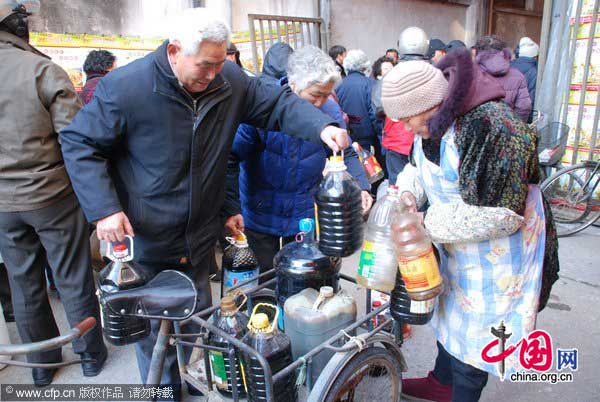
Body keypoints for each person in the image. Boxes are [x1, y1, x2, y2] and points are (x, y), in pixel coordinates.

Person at [60, 16, 349, 399]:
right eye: (205, 66)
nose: (214, 75)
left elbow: (275, 106)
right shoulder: (127, 87)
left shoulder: (229, 80)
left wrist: (320, 126)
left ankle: (195, 389)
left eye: (220, 64)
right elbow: (79, 143)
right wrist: (104, 209)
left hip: (197, 240)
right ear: (175, 51)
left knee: (197, 327)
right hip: (147, 240)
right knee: (154, 342)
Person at [381, 49, 558, 402]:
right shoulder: (432, 120)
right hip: (458, 242)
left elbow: (502, 215)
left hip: (499, 254)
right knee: (449, 316)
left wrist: (426, 221)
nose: (404, 128)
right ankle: (440, 382)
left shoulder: (494, 126)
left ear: (430, 103)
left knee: (477, 337)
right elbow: (419, 166)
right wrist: (408, 192)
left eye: (407, 119)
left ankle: (461, 392)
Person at [0, 0, 106, 386]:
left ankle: (42, 368)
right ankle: (90, 356)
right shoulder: (40, 69)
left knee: (23, 282)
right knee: (72, 277)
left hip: (3, 204)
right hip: (51, 196)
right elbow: (76, 138)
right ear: (19, 28)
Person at [226, 45, 372, 277]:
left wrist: (362, 186)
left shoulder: (329, 109)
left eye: (326, 95)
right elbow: (231, 158)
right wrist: (231, 208)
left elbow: (347, 151)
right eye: (316, 95)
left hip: (303, 214)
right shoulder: (262, 107)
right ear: (293, 84)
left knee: (303, 279)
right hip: (261, 213)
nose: (321, 103)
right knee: (266, 282)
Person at [474, 35, 532, 122]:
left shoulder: (471, 74)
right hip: (506, 130)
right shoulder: (518, 76)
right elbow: (524, 107)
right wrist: (514, 125)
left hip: (475, 129)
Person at [336, 49, 380, 161]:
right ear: (365, 65)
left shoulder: (338, 85)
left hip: (345, 136)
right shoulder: (371, 84)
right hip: (367, 137)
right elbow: (374, 113)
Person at [511, 37, 538, 121]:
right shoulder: (535, 71)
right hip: (521, 119)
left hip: (504, 116)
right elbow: (530, 100)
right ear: (535, 56)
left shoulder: (508, 66)